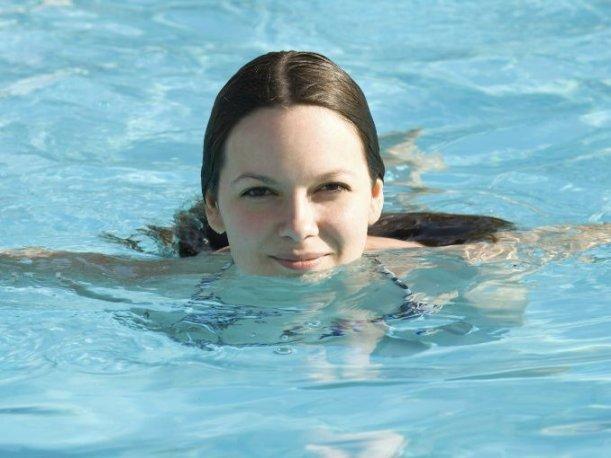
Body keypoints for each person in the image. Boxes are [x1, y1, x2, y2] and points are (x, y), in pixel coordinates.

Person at [1, 50, 607, 281]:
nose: (298, 227)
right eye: (258, 192)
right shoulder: (166, 280)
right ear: (214, 206)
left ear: (374, 196)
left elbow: (581, 241)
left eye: (330, 188)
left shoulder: (454, 266)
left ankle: (402, 162)